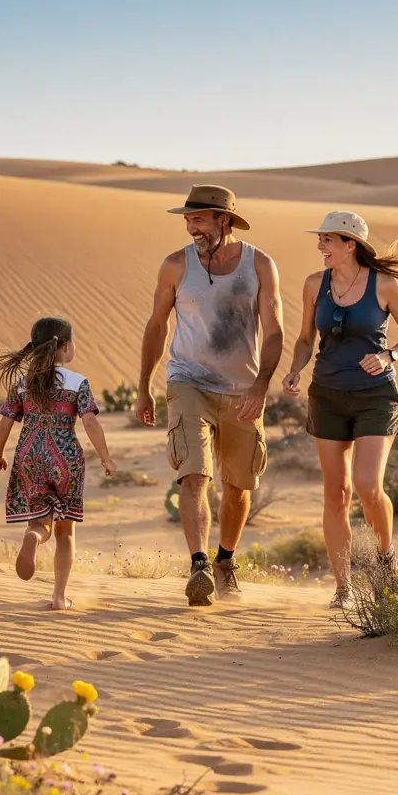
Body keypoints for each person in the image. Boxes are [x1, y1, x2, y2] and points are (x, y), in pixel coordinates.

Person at [136, 185, 284, 606]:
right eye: (187, 220)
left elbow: (274, 330)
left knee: (238, 487)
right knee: (194, 474)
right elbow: (157, 326)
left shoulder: (260, 265)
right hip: (188, 382)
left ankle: (225, 561)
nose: (190, 227)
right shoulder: (174, 265)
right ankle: (199, 565)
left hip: (243, 390)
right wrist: (144, 386)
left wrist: (261, 386)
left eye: (198, 219)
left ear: (225, 219)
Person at [281, 211, 398, 609]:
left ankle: (385, 557)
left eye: (328, 239)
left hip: (375, 395)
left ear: (351, 244)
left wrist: (389, 356)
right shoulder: (314, 284)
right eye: (320, 239)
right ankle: (343, 587)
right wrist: (295, 369)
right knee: (336, 493)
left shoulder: (386, 285)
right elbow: (305, 338)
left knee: (367, 486)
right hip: (326, 395)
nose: (320, 245)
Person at [0, 317, 115, 611]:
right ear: (66, 346)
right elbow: (90, 422)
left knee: (40, 523)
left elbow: (5, 423)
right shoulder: (77, 382)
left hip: (30, 455)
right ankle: (59, 598)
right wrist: (105, 456)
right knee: (65, 532)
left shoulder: (23, 384)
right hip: (65, 457)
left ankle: (34, 536)